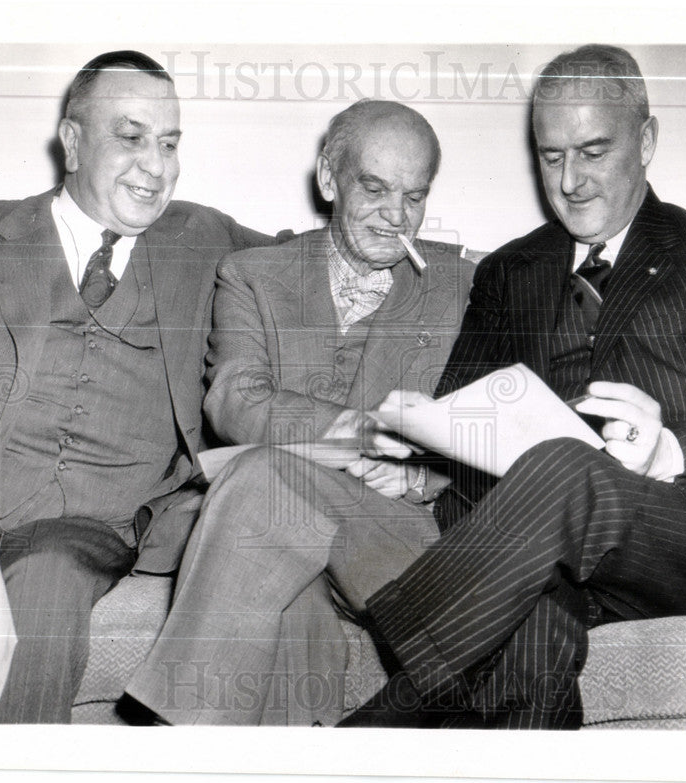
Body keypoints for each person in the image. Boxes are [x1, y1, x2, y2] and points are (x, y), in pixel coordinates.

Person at [339, 44, 686, 729]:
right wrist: (425, 433)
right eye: (551, 155)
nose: (570, 181)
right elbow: (461, 428)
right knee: (533, 632)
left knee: (569, 464)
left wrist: (668, 450)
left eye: (593, 151)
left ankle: (379, 718)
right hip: (540, 555)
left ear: (646, 139)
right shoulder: (510, 271)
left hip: (680, 542)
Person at [0, 50, 277, 723]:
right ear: (72, 142)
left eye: (169, 143)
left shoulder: (203, 238)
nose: (156, 166)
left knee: (46, 570)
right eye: (130, 137)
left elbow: (312, 261)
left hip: (89, 531)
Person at [123, 100, 475, 726]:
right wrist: (367, 432)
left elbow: (500, 436)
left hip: (395, 538)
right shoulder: (254, 276)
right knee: (279, 561)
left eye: (415, 197)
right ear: (329, 178)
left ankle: (171, 743)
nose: (398, 217)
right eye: (375, 189)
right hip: (278, 525)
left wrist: (427, 476)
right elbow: (238, 401)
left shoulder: (465, 286)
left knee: (258, 484)